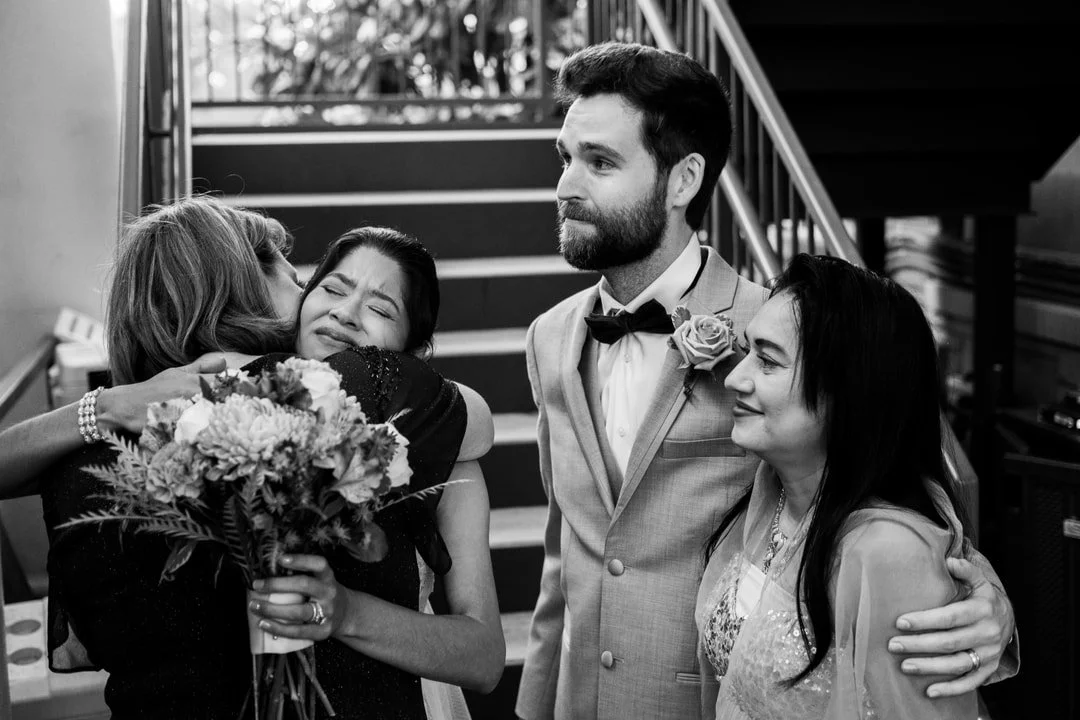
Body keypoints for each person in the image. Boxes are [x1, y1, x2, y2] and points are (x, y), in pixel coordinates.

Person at [516, 42, 1016, 720]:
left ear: (683, 180)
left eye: (600, 162)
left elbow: (896, 477)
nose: (566, 186)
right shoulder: (549, 336)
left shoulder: (782, 334)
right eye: (565, 158)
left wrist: (985, 601)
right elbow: (564, 550)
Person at [39, 199, 502, 719]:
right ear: (233, 287)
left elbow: (483, 654)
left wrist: (347, 613)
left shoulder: (70, 460)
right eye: (323, 286)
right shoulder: (277, 404)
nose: (337, 309)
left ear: (414, 356)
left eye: (380, 308)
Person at [697, 254, 994, 719]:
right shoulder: (771, 490)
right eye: (746, 350)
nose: (734, 377)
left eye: (768, 361)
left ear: (848, 392)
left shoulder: (890, 551)